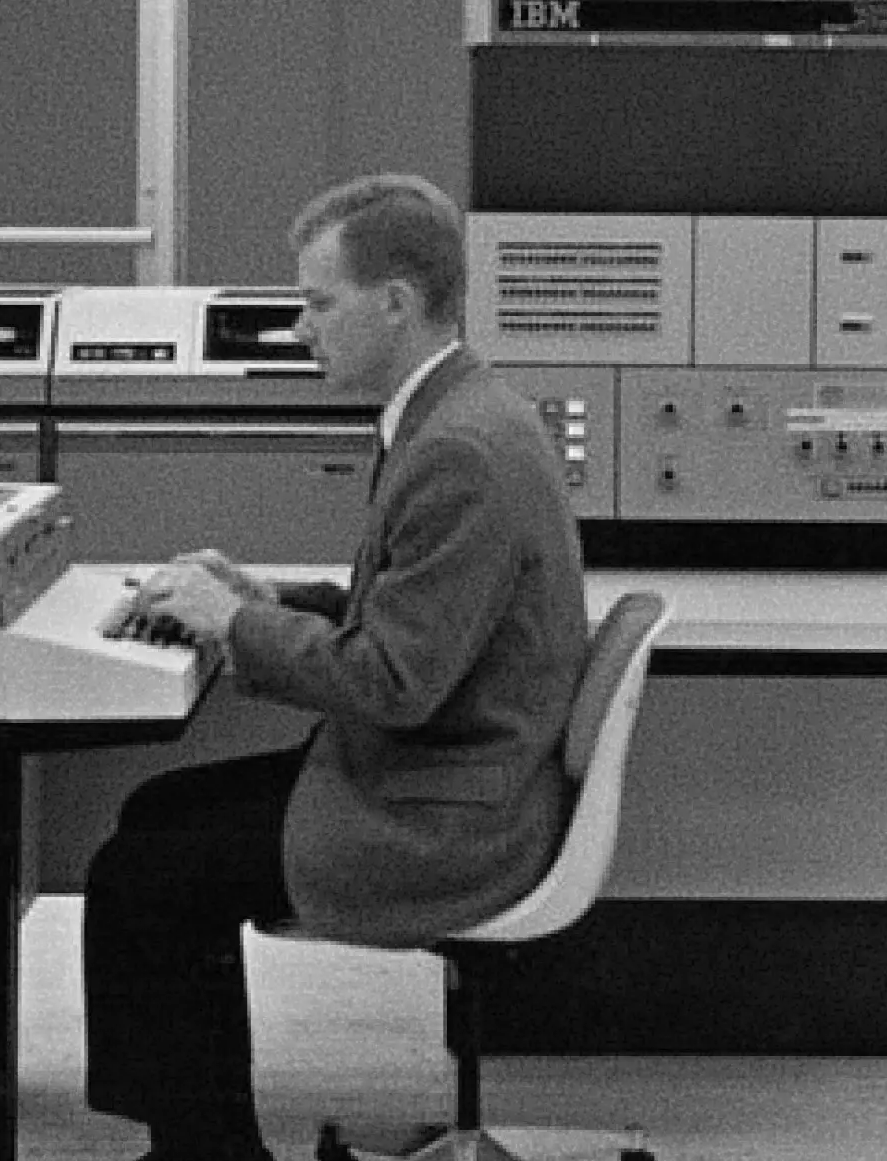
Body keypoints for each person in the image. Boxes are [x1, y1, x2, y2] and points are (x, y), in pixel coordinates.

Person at [88, 175, 591, 1161]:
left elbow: (391, 682)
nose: (299, 328)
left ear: (394, 302)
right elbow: (408, 614)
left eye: (318, 303)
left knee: (144, 874)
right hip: (452, 773)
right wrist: (267, 598)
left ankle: (203, 1154)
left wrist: (234, 624)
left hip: (446, 814)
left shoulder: (458, 450)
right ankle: (192, 1140)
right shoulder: (458, 411)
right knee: (155, 815)